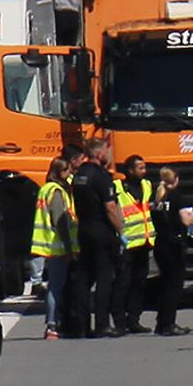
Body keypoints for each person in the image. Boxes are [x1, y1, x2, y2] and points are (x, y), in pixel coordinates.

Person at [71, 138, 125, 337]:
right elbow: (110, 208)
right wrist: (121, 231)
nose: (108, 154)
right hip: (101, 229)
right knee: (104, 278)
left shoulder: (79, 175)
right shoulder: (101, 176)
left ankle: (82, 325)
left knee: (84, 278)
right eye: (106, 151)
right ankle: (102, 324)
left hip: (84, 229)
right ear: (99, 153)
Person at [30, 156, 78, 339]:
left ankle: (53, 322)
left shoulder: (46, 189)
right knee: (56, 287)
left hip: (50, 245)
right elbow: (61, 221)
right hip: (57, 246)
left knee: (55, 287)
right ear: (59, 172)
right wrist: (69, 247)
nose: (70, 174)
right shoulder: (56, 191)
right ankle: (52, 325)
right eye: (67, 171)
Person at [111, 154, 154, 334]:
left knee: (139, 282)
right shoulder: (117, 187)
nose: (144, 171)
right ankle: (119, 321)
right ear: (130, 170)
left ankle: (134, 319)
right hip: (126, 242)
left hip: (144, 240)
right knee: (123, 282)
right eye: (140, 168)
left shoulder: (147, 185)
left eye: (144, 168)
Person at [148, 166, 192, 336]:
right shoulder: (176, 196)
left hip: (160, 242)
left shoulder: (156, 197)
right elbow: (186, 220)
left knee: (164, 284)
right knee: (174, 286)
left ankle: (161, 322)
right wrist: (191, 214)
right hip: (175, 244)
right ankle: (169, 323)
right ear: (176, 180)